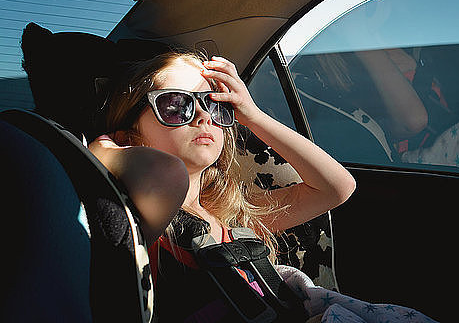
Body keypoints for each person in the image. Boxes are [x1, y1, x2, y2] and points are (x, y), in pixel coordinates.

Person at [89, 49, 357, 321]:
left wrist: (252, 115)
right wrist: (101, 153)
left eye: (215, 105)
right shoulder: (144, 220)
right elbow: (168, 176)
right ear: (128, 136)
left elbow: (337, 187)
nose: (204, 116)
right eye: (175, 105)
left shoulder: (234, 216)